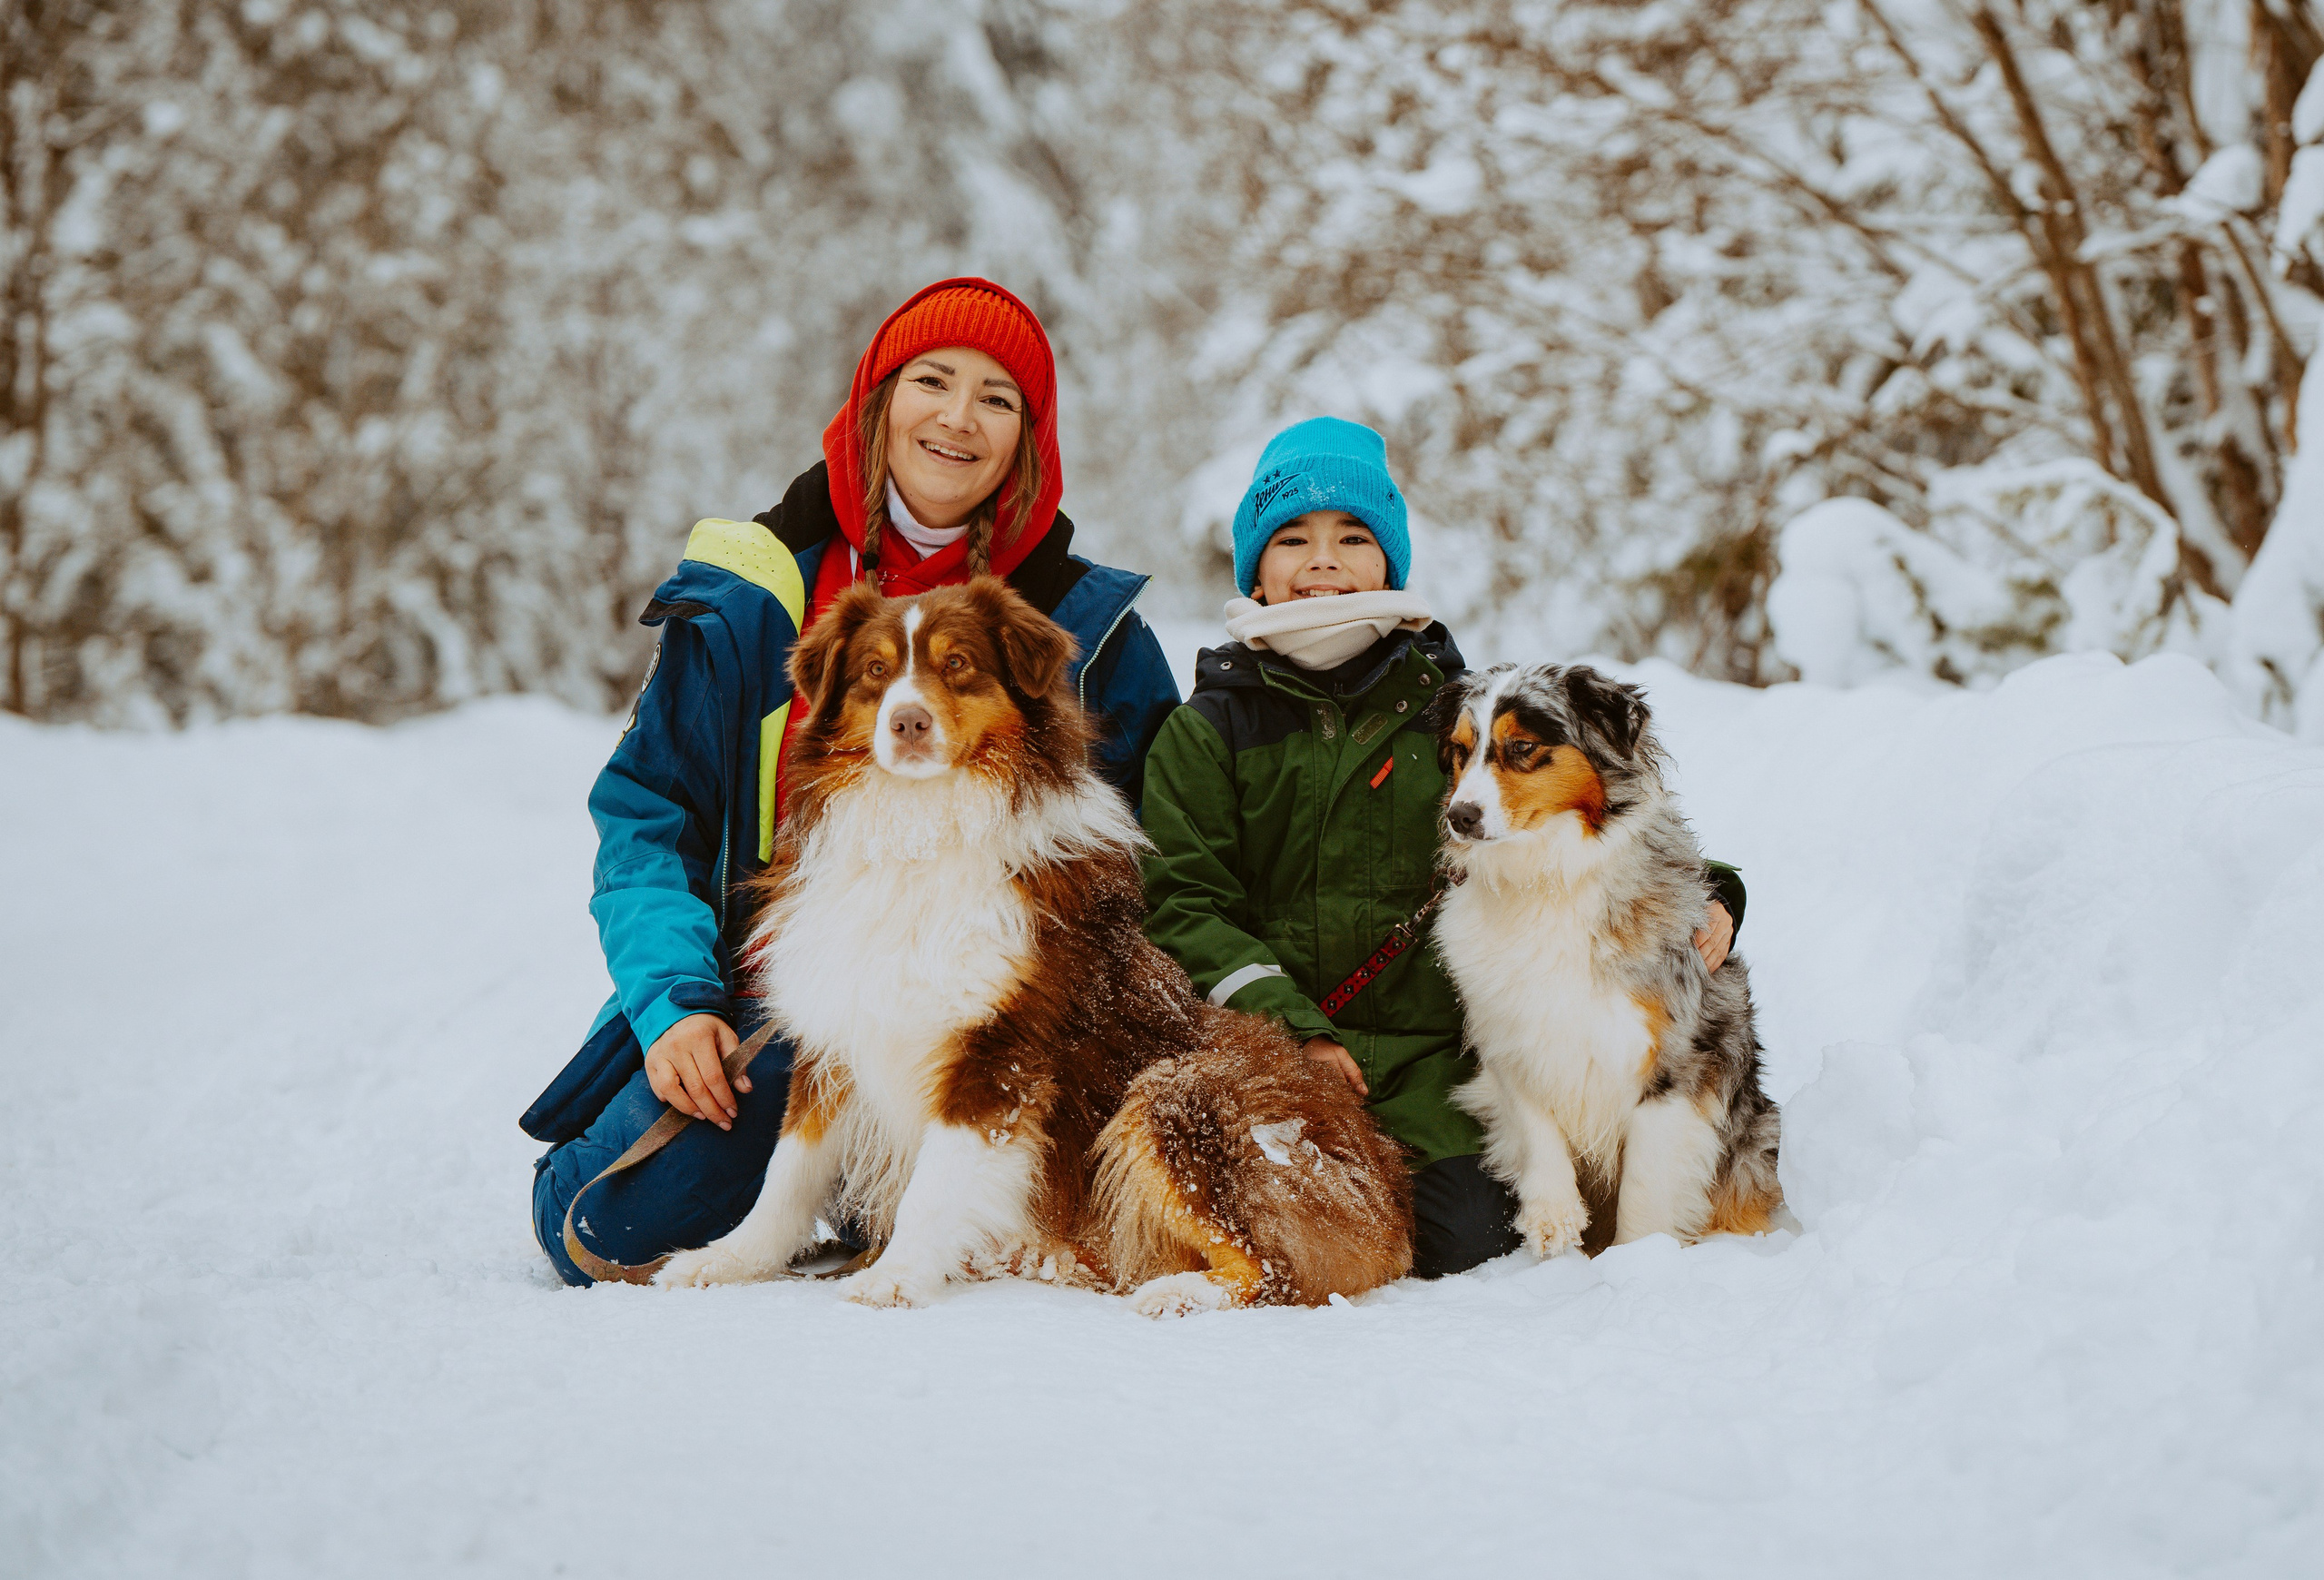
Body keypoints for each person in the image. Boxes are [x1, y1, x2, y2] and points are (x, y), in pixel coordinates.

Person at [521, 279, 1181, 1286]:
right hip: (775, 997)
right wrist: (673, 1004)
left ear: (1029, 437)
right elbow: (649, 815)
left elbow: (1174, 849)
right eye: (933, 381)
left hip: (986, 1007)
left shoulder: (1088, 625)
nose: (958, 418)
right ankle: (859, 1191)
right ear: (878, 400)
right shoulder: (751, 594)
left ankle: (938, 1200)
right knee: (596, 1226)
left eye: (997, 398)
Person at [1137, 417, 1744, 1278]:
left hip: (1432, 1056)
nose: (1323, 560)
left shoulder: (1455, 710)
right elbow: (1184, 901)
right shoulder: (1208, 730)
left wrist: (1717, 891)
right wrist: (1292, 1028)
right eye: (1292, 539)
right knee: (1265, 1216)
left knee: (1468, 1235)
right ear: (1255, 572)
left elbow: (1580, 822)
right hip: (1277, 1043)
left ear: (1389, 563)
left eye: (1353, 537)